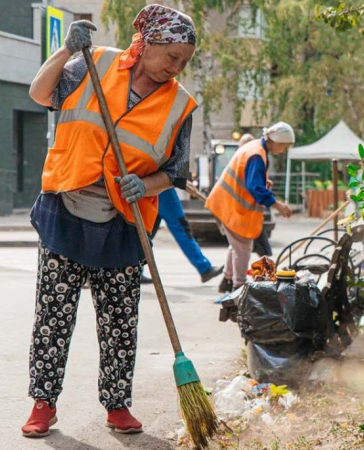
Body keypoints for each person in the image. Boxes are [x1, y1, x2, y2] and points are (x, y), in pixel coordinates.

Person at [21, 5, 198, 438]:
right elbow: (40, 94)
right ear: (147, 44)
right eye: (171, 56)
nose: (176, 68)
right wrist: (64, 52)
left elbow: (175, 171)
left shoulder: (180, 104)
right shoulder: (93, 64)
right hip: (66, 209)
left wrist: (148, 184)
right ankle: (44, 403)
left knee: (120, 321)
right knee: (53, 316)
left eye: (184, 62)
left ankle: (117, 405)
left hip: (124, 223)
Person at [206, 123, 294, 293]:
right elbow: (255, 187)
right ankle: (239, 288)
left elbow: (251, 180)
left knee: (236, 247)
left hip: (228, 204)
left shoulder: (255, 149)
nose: (283, 150)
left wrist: (263, 184)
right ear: (276, 141)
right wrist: (278, 205)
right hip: (233, 207)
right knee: (243, 248)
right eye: (284, 147)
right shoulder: (256, 154)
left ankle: (227, 280)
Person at [139, 188, 224, 284]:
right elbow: (173, 173)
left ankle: (136, 268)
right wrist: (182, 180)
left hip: (154, 189)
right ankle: (204, 268)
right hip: (163, 190)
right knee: (181, 228)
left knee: (146, 234)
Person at [237, 133, 274, 258]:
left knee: (239, 245)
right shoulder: (252, 156)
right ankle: (265, 261)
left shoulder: (254, 157)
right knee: (246, 245)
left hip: (253, 206)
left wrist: (265, 183)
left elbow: (255, 180)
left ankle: (229, 276)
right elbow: (252, 184)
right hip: (246, 207)